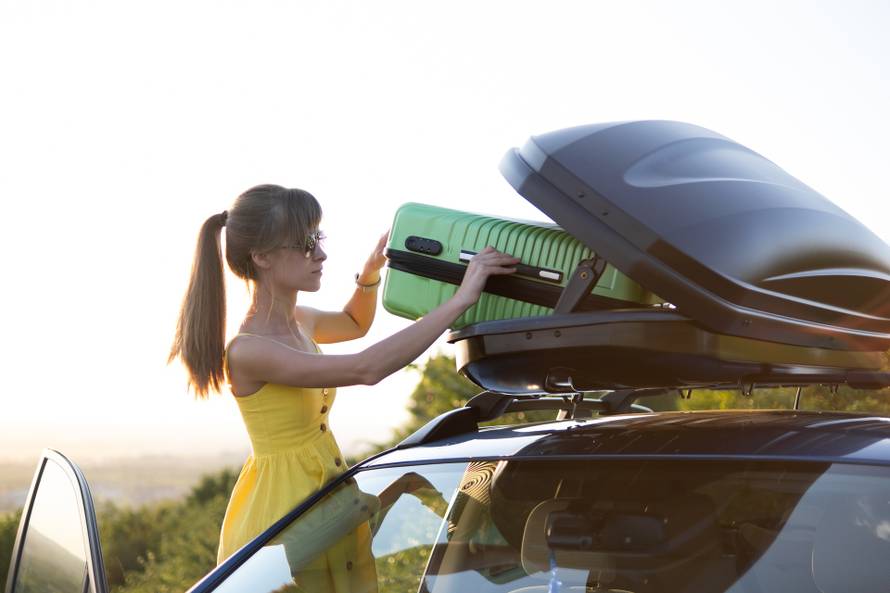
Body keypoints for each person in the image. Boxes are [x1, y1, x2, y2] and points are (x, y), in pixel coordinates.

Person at [167, 184, 520, 568]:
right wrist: (462, 299)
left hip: (325, 503)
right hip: (283, 520)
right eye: (305, 243)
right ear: (262, 257)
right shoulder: (249, 351)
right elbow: (365, 368)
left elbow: (354, 322)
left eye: (318, 237)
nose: (321, 253)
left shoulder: (299, 321)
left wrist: (370, 271)